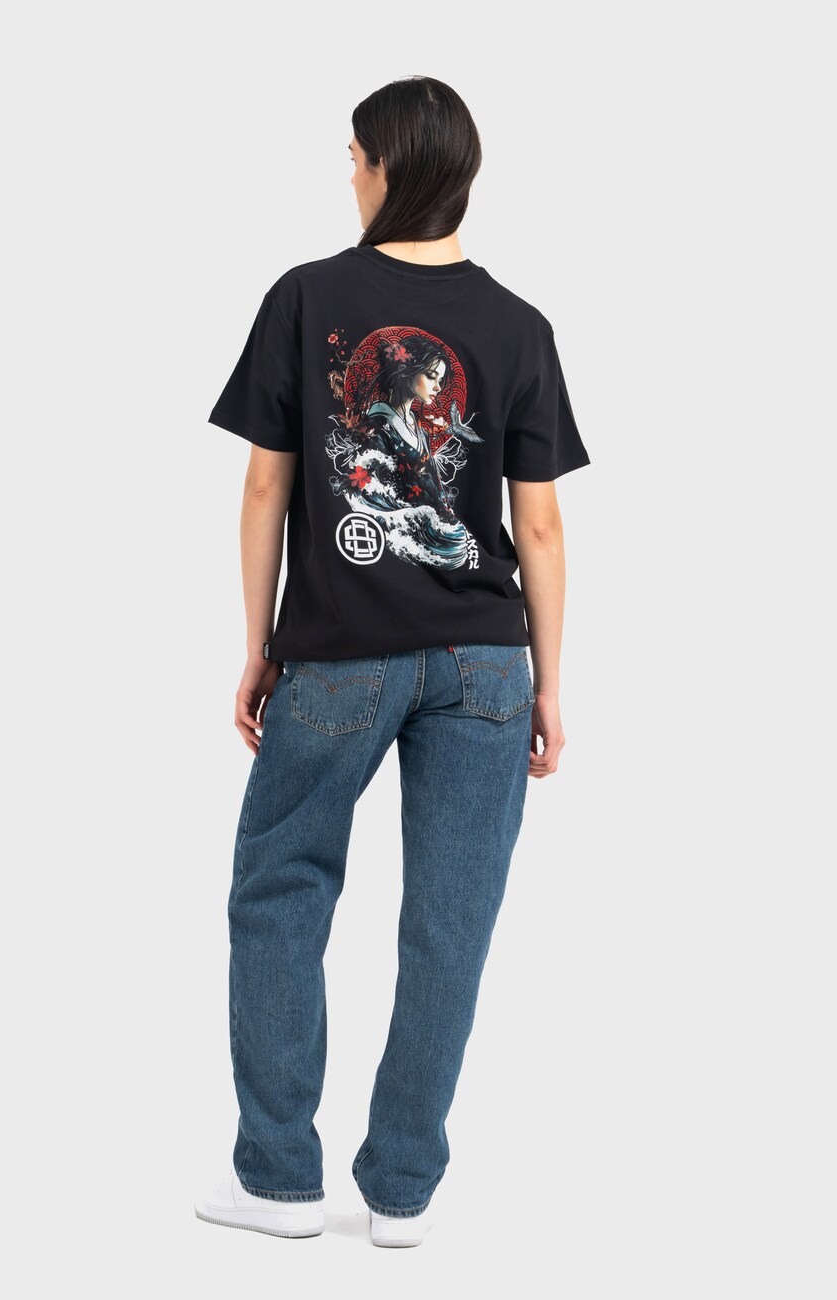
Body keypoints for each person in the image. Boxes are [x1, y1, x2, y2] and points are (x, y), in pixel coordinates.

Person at [194, 74, 591, 1249]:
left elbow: (264, 488)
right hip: (487, 663)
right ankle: (403, 1193)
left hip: (338, 654)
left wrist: (258, 644)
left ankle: (279, 1180)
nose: (350, 175)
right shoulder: (519, 325)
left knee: (281, 887)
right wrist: (552, 684)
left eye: (354, 157)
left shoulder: (307, 296)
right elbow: (540, 527)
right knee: (451, 923)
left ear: (383, 168)